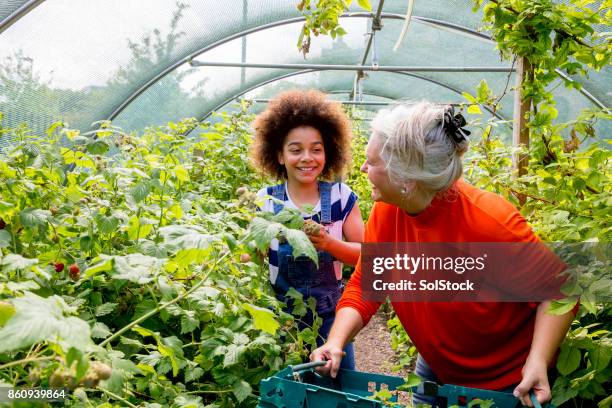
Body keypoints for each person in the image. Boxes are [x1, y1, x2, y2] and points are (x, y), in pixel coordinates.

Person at [310, 101, 574, 407]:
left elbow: (562, 290)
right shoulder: (387, 212)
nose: (364, 169)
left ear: (406, 179)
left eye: (372, 162)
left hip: (504, 384)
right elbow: (366, 284)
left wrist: (538, 361)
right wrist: (336, 341)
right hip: (435, 369)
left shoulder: (488, 224)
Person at [250, 89, 365, 370]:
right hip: (281, 318)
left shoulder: (341, 196)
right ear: (278, 155)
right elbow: (254, 256)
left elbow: (368, 256)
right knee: (289, 388)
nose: (307, 158)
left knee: (337, 385)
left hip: (330, 317)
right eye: (295, 149)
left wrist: (329, 244)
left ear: (328, 153)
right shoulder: (267, 200)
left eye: (316, 149)